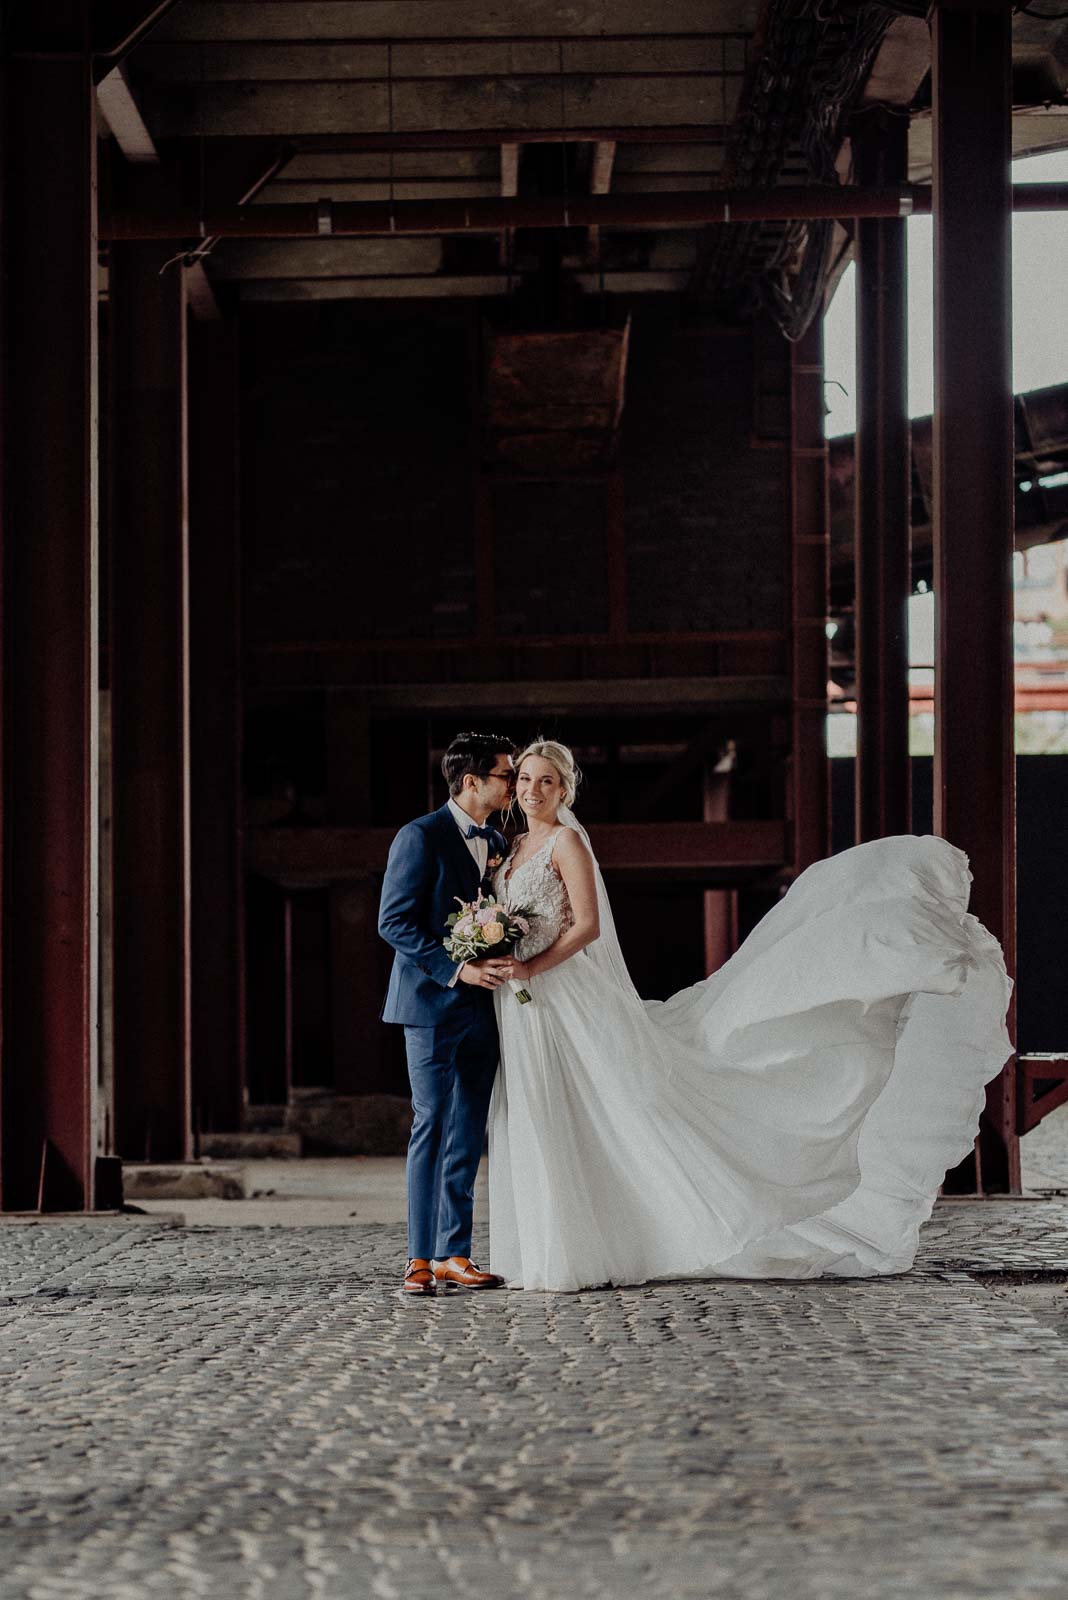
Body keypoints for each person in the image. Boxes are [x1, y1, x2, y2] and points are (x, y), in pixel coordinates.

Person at [488, 739, 1013, 1293]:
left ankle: (621, 1240)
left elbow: (587, 925)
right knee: (544, 1109)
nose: (532, 790)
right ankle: (551, 1246)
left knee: (604, 1105)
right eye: (525, 779)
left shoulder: (567, 843)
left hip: (562, 993)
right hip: (523, 1006)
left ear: (564, 788)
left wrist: (532, 966)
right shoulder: (515, 845)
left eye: (546, 781)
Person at [379, 731, 516, 1296]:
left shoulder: (499, 840)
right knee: (431, 1122)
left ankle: (454, 1253)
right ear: (471, 782)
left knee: (467, 1131)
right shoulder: (419, 837)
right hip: (432, 1003)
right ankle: (417, 1257)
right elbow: (394, 922)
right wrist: (456, 969)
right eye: (506, 776)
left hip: (485, 1009)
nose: (514, 785)